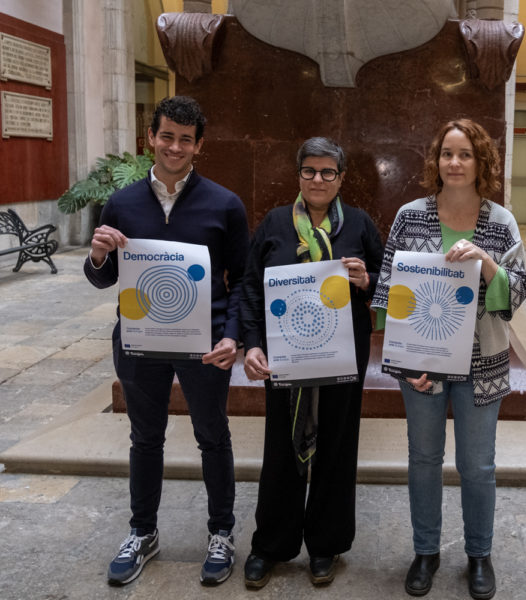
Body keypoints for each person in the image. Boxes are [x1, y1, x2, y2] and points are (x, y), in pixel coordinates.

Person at [84, 96, 249, 586]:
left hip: (204, 344)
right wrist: (97, 256)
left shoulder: (225, 204)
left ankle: (222, 532)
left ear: (199, 145)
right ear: (151, 138)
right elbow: (104, 277)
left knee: (212, 436)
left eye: (185, 139)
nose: (175, 147)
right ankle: (142, 532)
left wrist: (233, 337)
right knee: (145, 438)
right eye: (167, 136)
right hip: (139, 342)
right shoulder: (122, 203)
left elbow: (241, 280)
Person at [371, 119, 526, 599]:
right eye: (446, 153)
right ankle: (426, 552)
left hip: (482, 362)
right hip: (422, 363)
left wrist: (486, 261)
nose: (454, 163)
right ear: (435, 160)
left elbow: (518, 290)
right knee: (423, 459)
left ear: (482, 162)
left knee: (477, 465)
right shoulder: (410, 217)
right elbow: (389, 290)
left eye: (465, 154)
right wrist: (403, 362)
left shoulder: (500, 222)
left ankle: (479, 554)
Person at [238, 137, 384, 588]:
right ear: (298, 174)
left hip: (342, 356)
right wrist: (252, 344)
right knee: (281, 446)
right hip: (284, 357)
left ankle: (325, 544)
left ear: (341, 178)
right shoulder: (275, 223)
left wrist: (366, 280)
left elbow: (389, 286)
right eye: (309, 171)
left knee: (337, 446)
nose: (318, 179)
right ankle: (271, 545)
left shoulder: (359, 224)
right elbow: (251, 287)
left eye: (327, 172)